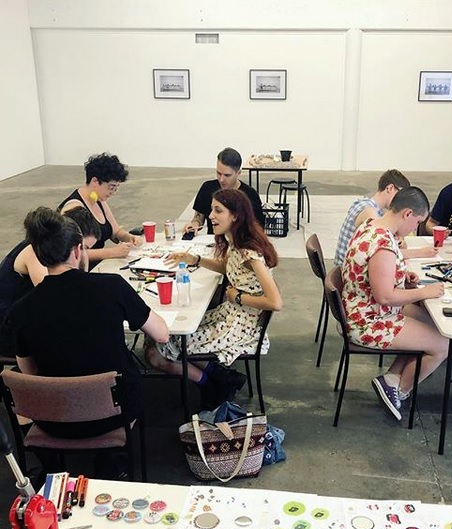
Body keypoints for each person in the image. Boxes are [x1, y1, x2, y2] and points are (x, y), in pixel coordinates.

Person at [7, 207, 169, 445]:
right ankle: (112, 460)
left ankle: (51, 467)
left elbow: (30, 373)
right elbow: (162, 334)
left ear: (40, 256)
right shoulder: (112, 287)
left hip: (54, 419)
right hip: (117, 414)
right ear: (77, 249)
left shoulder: (21, 310)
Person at [146, 188, 282, 390]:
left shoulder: (250, 252)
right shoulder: (235, 241)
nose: (211, 216)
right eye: (212, 210)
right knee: (160, 337)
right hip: (229, 315)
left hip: (239, 326)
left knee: (156, 351)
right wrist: (195, 259)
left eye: (218, 211)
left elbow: (275, 302)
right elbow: (227, 267)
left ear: (235, 215)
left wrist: (238, 297)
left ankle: (213, 386)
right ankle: (221, 377)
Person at [342, 187, 448, 421]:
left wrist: (401, 275)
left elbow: (378, 277)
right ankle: (400, 390)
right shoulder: (383, 244)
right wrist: (424, 292)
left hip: (365, 308)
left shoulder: (372, 227)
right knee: (441, 345)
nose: (414, 229)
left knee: (433, 325)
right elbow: (386, 297)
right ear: (408, 214)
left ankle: (390, 379)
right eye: (417, 222)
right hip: (369, 320)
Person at [0, 207, 101, 357]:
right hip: (9, 331)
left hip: (22, 320)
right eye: (84, 248)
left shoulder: (44, 245)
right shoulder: (34, 252)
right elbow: (54, 300)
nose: (82, 253)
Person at [334, 170, 437, 267]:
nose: (402, 200)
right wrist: (419, 253)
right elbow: (383, 250)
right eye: (401, 194)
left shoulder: (368, 205)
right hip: (345, 269)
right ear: (390, 188)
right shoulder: (369, 211)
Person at [58, 152, 143, 267]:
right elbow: (71, 254)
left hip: (100, 264)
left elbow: (115, 231)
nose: (113, 193)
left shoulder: (99, 200)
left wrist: (129, 238)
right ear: (95, 181)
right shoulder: (74, 209)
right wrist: (112, 252)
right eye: (111, 187)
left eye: (116, 188)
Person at [184, 147, 265, 235]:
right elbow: (199, 217)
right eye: (218, 173)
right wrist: (195, 224)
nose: (221, 179)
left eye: (227, 175)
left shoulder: (250, 195)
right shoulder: (207, 188)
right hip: (214, 241)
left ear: (238, 173)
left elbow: (258, 229)